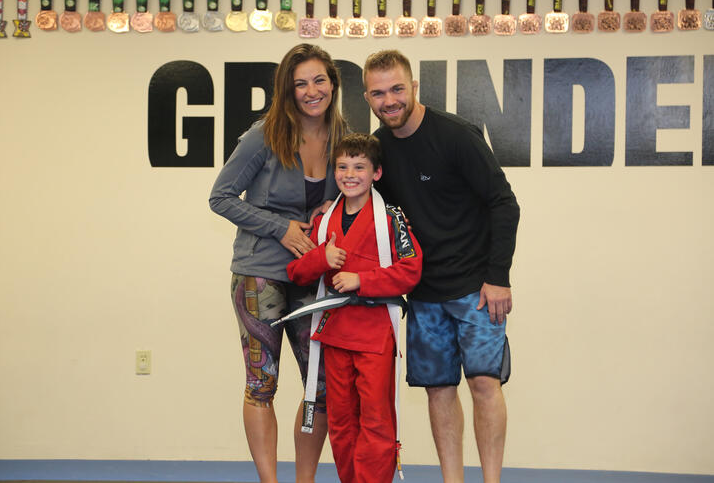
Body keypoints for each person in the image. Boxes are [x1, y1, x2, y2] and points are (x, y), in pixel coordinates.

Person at [362, 50, 520, 483]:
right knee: (438, 389)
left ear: (413, 87)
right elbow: (374, 208)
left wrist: (498, 278)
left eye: (396, 89)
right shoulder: (378, 149)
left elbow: (504, 204)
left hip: (476, 288)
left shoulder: (456, 135)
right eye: (378, 93)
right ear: (367, 97)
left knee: (485, 384)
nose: (389, 100)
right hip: (424, 293)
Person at [209, 44, 347, 483]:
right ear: (286, 90)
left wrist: (336, 205)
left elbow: (358, 193)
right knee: (261, 384)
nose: (311, 91)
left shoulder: (344, 135)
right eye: (300, 83)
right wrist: (281, 227)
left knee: (319, 390)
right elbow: (221, 197)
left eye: (319, 80)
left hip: (313, 277)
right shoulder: (262, 136)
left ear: (333, 83)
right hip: (259, 274)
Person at [287, 133, 423, 483]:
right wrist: (322, 257)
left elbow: (411, 270)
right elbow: (296, 272)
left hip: (374, 335)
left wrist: (362, 280)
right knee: (342, 423)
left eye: (359, 167)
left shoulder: (391, 217)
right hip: (334, 335)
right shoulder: (324, 221)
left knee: (375, 420)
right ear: (334, 172)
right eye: (343, 166)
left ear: (376, 173)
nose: (350, 174)